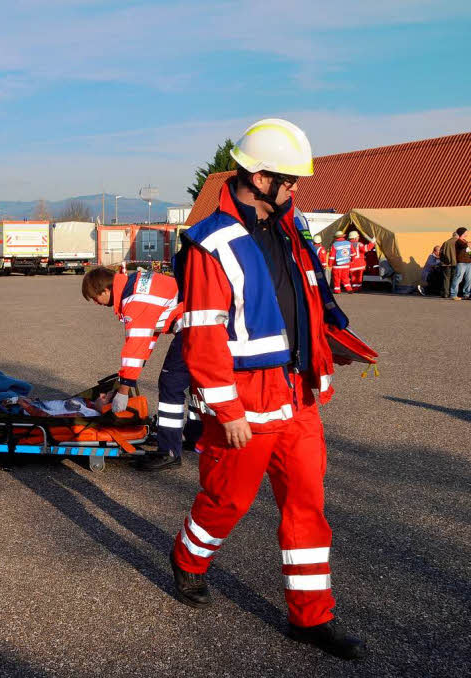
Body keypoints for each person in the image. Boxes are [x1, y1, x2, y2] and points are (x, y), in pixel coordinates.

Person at [170, 118, 365, 659]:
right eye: (289, 179)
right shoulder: (212, 243)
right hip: (245, 402)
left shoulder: (291, 228)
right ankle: (188, 558)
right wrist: (225, 407)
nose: (296, 189)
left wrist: (328, 349)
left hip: (297, 396)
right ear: (257, 176)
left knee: (307, 505)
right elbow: (203, 333)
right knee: (225, 501)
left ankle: (311, 617)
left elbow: (304, 301)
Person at [81, 265, 202, 471]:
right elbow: (145, 344)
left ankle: (169, 452)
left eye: (94, 297)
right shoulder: (135, 284)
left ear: (105, 291)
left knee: (170, 384)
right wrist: (122, 381)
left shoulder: (134, 300)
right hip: (202, 322)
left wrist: (124, 391)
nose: (95, 302)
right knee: (197, 383)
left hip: (194, 327)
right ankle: (195, 435)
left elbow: (135, 347)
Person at [438, 228, 465, 298]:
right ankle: (453, 294)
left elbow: (440, 253)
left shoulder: (446, 242)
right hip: (456, 263)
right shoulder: (459, 242)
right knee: (455, 278)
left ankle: (446, 293)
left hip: (446, 264)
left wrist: (442, 261)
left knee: (446, 279)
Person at [450, 229, 471, 300]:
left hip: (468, 262)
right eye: (466, 232)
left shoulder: (465, 241)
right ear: (462, 233)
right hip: (461, 263)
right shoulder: (458, 241)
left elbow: (468, 250)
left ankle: (467, 294)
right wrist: (469, 244)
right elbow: (465, 246)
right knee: (458, 278)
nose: (467, 233)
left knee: (469, 279)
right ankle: (453, 294)